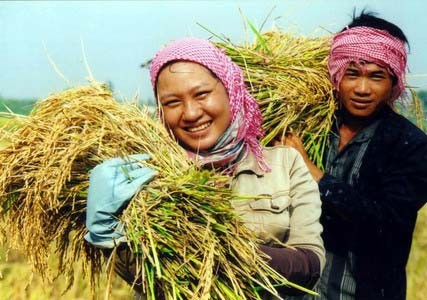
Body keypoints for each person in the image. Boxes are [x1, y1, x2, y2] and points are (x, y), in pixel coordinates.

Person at [84, 37, 325, 298]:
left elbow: (310, 265)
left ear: (231, 91)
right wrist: (109, 238)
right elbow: (141, 279)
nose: (190, 113)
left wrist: (225, 252)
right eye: (172, 102)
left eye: (201, 94)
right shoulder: (149, 177)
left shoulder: (284, 164)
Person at [278, 11, 427, 300]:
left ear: (393, 83)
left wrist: (318, 178)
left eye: (376, 77)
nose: (362, 89)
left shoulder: (411, 145)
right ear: (337, 74)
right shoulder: (308, 129)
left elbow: (386, 225)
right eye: (352, 73)